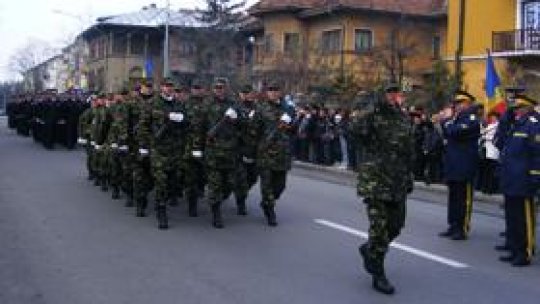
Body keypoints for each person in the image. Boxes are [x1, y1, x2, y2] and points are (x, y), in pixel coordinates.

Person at [351, 84, 414, 295]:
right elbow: (355, 129)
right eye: (390, 93)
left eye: (398, 93)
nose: (395, 96)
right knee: (379, 229)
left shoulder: (404, 118)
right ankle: (378, 273)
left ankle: (369, 250)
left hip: (397, 181)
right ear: (382, 96)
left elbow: (408, 150)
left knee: (396, 225)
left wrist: (409, 177)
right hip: (376, 182)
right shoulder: (372, 115)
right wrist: (373, 106)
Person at [495, 94, 539, 266]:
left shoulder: (533, 126)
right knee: (512, 217)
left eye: (518, 108)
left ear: (527, 108)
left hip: (524, 179)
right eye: (514, 109)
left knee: (524, 218)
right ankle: (514, 248)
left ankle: (525, 252)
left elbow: (537, 154)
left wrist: (535, 176)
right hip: (511, 177)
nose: (516, 111)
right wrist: (506, 114)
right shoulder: (515, 125)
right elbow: (501, 142)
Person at [439, 91, 481, 241]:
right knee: (454, 197)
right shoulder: (456, 119)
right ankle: (453, 225)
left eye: (459, 103)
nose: (456, 106)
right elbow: (448, 133)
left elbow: (454, 132)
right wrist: (447, 122)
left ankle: (462, 228)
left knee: (464, 199)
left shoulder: (471, 118)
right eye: (455, 104)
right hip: (453, 165)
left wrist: (446, 121)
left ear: (467, 104)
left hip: (465, 166)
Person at [255, 82, 294, 226]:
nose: (272, 93)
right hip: (265, 152)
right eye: (270, 90)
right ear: (266, 93)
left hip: (283, 153)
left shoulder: (288, 109)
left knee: (280, 186)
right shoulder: (260, 108)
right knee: (267, 185)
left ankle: (268, 201)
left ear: (280, 92)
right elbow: (254, 130)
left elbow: (293, 129)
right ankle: (270, 210)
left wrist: (289, 124)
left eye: (275, 90)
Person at [204, 79, 241, 228]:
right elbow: (199, 125)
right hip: (213, 151)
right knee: (215, 184)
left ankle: (219, 200)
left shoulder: (234, 104)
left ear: (226, 88)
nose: (219, 89)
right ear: (213, 89)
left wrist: (236, 118)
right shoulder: (207, 104)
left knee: (230, 184)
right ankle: (216, 213)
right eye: (217, 87)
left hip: (230, 152)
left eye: (222, 87)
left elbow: (244, 124)